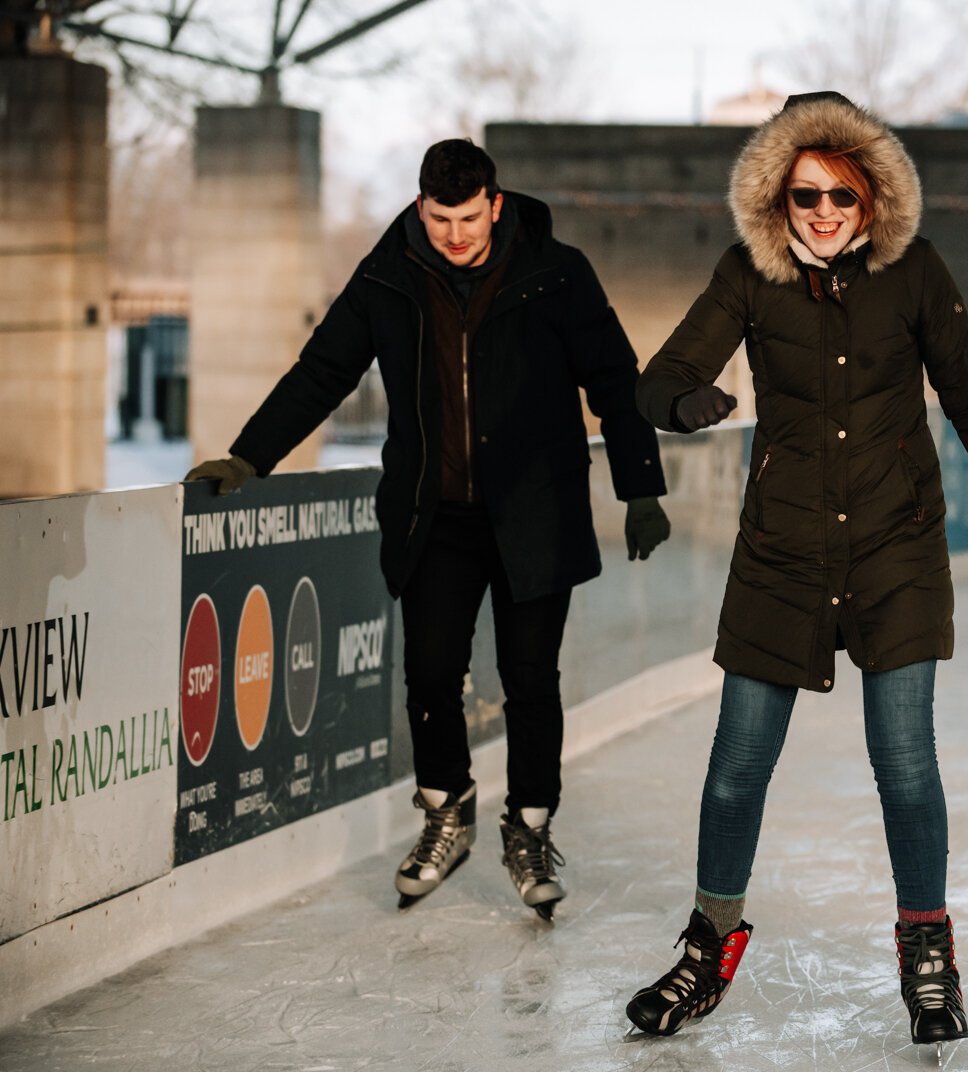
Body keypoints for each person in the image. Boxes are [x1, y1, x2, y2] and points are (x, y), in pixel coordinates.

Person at [624, 92, 968, 1044]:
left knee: (905, 767)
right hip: (780, 554)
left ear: (872, 199)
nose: (823, 211)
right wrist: (687, 400)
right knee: (739, 768)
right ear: (777, 201)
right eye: (804, 195)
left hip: (895, 550)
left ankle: (928, 954)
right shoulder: (749, 273)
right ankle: (709, 945)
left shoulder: (914, 274)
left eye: (841, 194)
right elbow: (656, 378)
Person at [186, 139, 670, 919]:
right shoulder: (389, 276)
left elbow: (616, 380)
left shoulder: (557, 271)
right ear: (421, 208)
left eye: (469, 217)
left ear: (496, 204)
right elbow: (322, 371)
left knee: (530, 680)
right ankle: (447, 814)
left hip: (536, 511)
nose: (455, 233)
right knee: (431, 674)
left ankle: (530, 828)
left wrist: (640, 486)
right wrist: (249, 458)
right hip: (433, 515)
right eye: (441, 217)